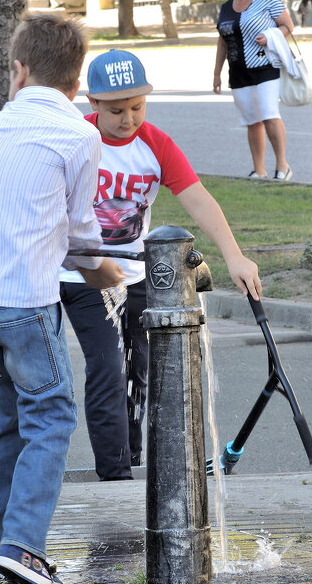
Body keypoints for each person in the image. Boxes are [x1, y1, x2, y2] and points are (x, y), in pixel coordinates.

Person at [0, 14, 123, 584]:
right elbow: (80, 236)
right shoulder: (80, 135)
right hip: (24, 300)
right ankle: (24, 548)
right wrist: (108, 274)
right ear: (76, 85)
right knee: (49, 417)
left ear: (19, 71)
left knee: (2, 419)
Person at [59, 49, 262, 483]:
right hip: (82, 274)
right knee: (108, 367)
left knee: (140, 371)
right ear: (93, 104)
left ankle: (131, 458)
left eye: (137, 107)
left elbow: (197, 198)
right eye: (116, 110)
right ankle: (114, 479)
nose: (128, 118)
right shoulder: (75, 139)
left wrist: (234, 255)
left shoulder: (156, 144)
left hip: (137, 276)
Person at [213, 0, 294, 182]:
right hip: (238, 71)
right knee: (252, 121)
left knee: (269, 114)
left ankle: (282, 166)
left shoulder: (267, 0)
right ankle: (259, 170)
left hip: (265, 66)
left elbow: (288, 26)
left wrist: (271, 37)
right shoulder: (226, 7)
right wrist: (216, 74)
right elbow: (222, 41)